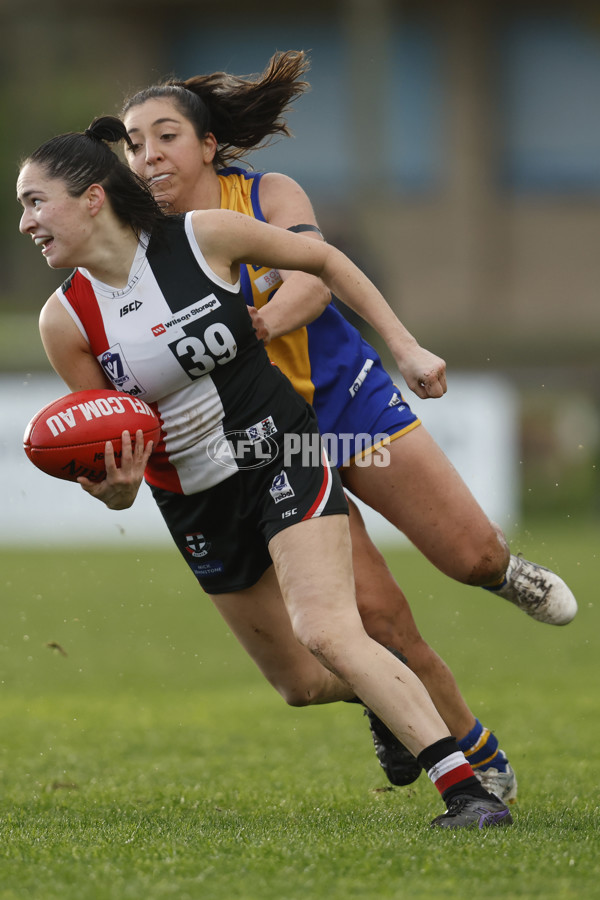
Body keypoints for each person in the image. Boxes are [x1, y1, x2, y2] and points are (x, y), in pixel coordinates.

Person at [17, 115, 514, 830]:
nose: (27, 221)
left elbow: (325, 262)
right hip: (191, 498)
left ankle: (464, 790)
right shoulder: (63, 320)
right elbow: (111, 447)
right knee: (302, 683)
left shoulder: (201, 236)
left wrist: (403, 347)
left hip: (278, 447)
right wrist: (117, 492)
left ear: (93, 197)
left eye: (36, 201)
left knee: (330, 632)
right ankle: (382, 699)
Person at [119, 50, 577, 802]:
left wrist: (250, 329)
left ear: (206, 144)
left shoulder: (266, 191)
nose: (147, 155)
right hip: (277, 439)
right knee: (381, 621)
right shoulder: (139, 246)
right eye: (133, 144)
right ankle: (472, 751)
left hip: (344, 400)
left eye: (164, 135)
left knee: (468, 554)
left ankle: (502, 571)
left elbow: (313, 275)